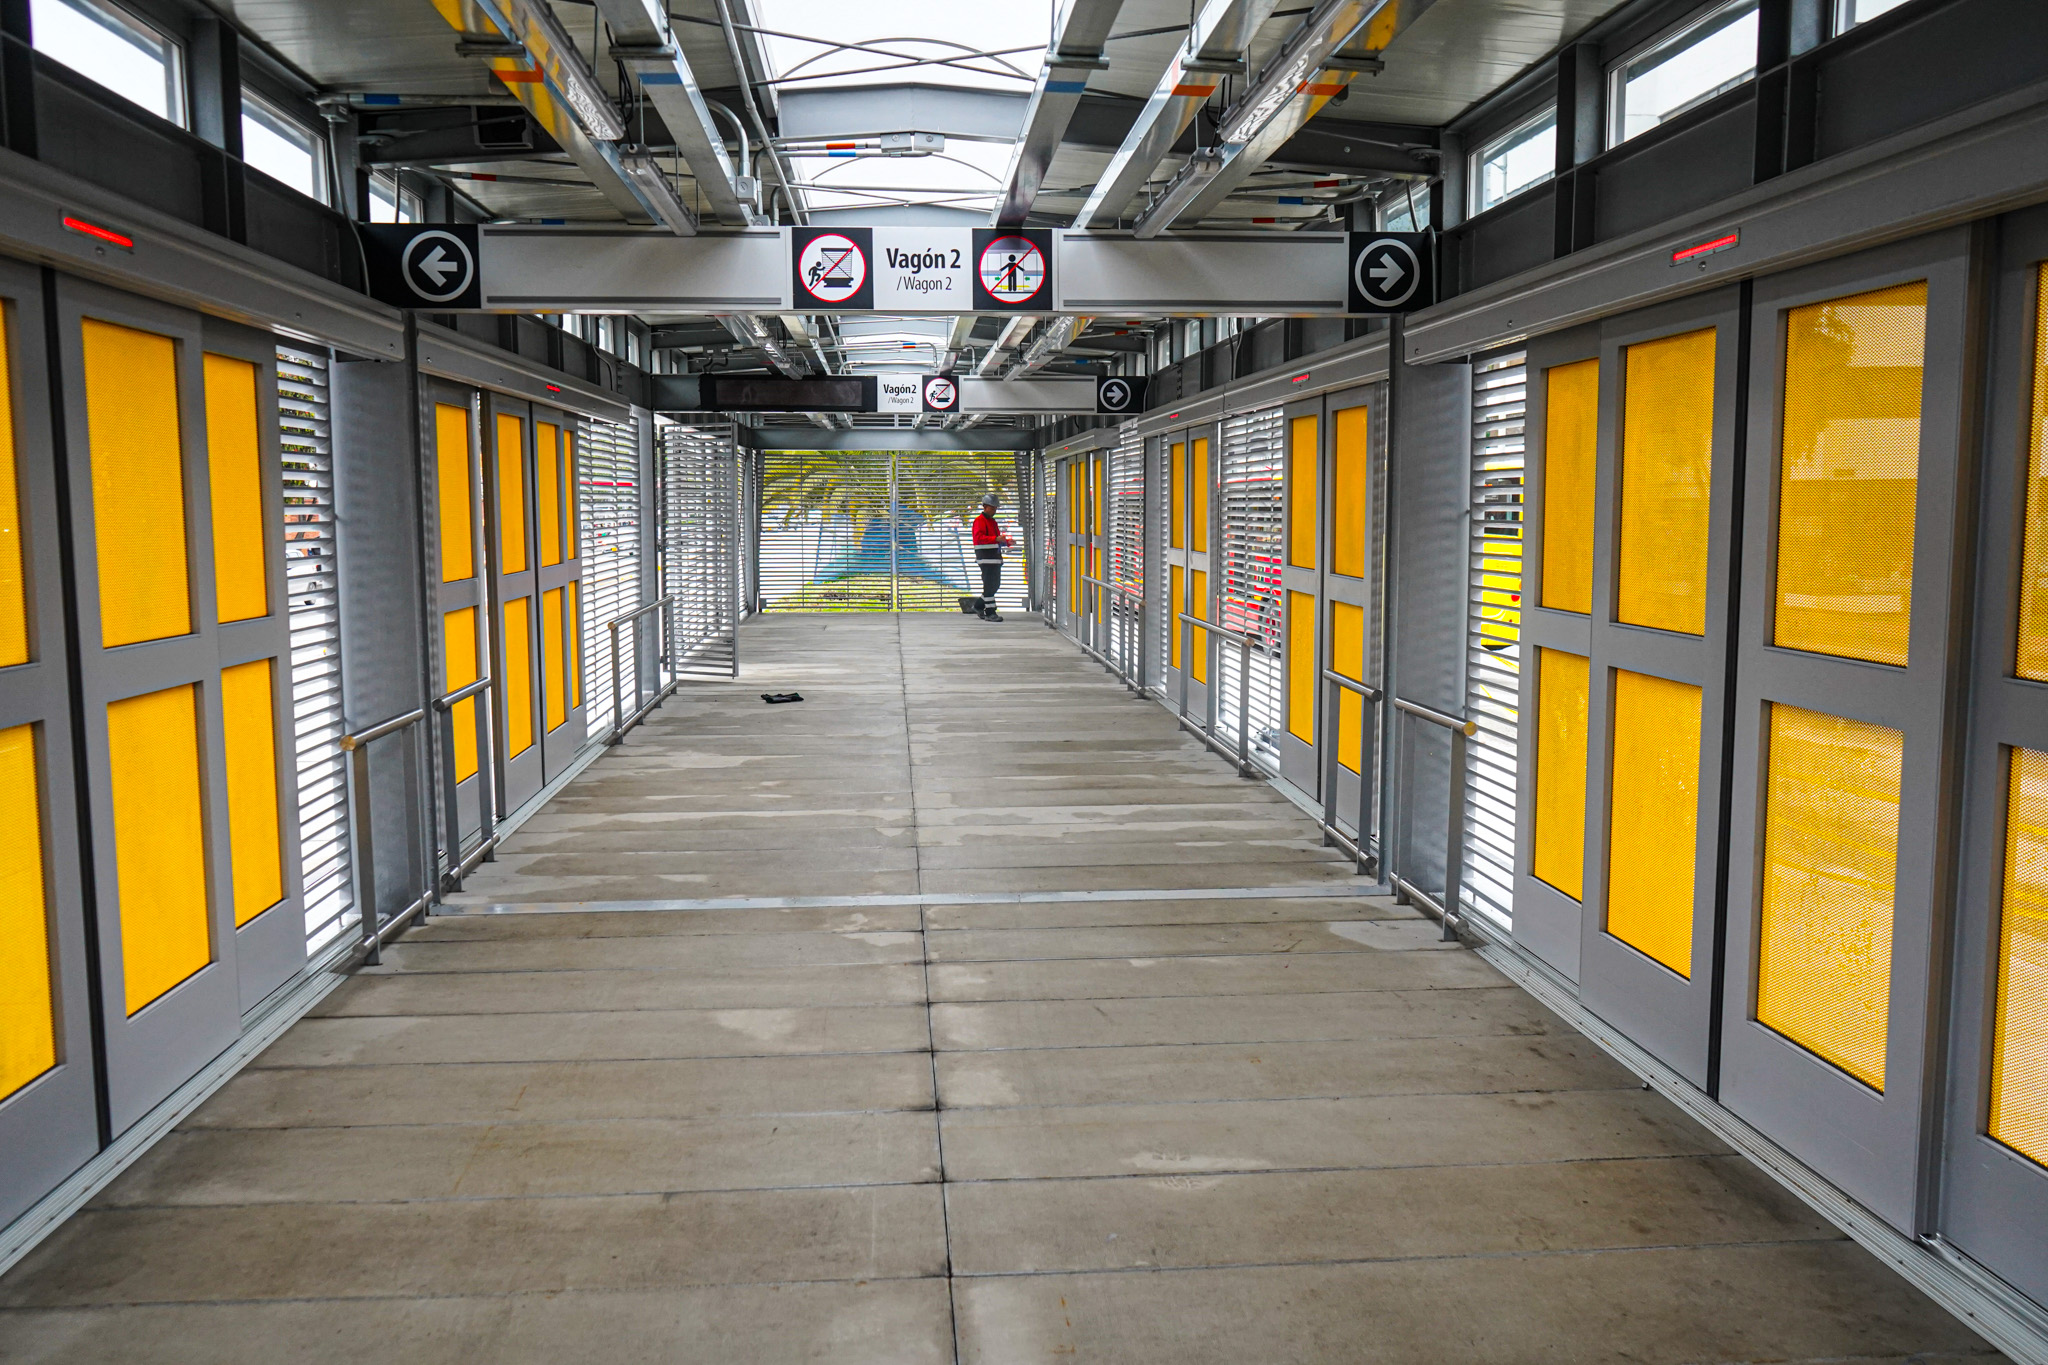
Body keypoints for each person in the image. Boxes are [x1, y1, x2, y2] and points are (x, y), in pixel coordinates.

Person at [970, 494, 1015, 622]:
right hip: (986, 558)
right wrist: (996, 539)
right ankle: (990, 612)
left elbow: (995, 540)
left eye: (995, 508)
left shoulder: (992, 521)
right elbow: (979, 538)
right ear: (985, 507)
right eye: (992, 508)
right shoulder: (979, 521)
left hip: (994, 558)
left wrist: (1006, 542)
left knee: (994, 585)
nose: (994, 510)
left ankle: (978, 606)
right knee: (990, 586)